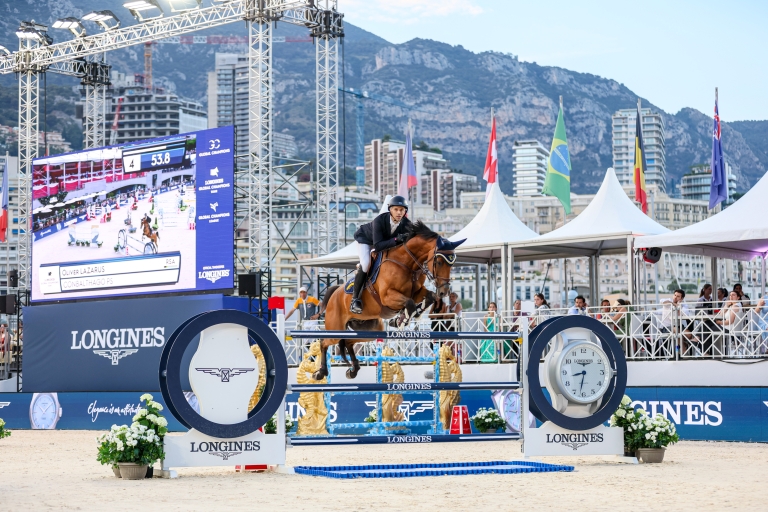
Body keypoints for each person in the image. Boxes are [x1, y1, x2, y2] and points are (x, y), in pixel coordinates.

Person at [350, 195, 413, 314]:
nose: (399, 212)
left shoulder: (406, 224)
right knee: (365, 263)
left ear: (405, 211)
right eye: (396, 209)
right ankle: (355, 300)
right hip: (367, 241)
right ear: (390, 210)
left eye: (402, 210)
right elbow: (378, 246)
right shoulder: (379, 220)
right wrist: (396, 240)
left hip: (383, 243)